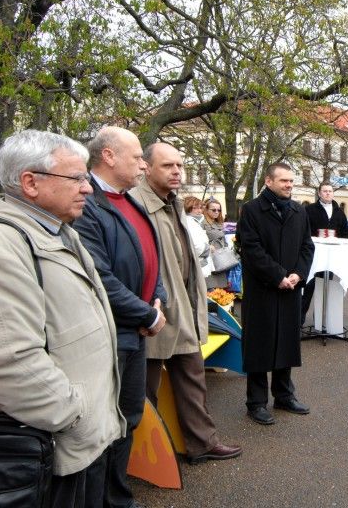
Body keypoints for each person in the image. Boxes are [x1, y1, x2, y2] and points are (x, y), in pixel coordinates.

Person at [0, 130, 123, 506]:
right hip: (57, 448)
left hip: (81, 442)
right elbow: (7, 362)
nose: (88, 188)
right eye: (76, 178)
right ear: (30, 182)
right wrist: (75, 414)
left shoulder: (59, 232)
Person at [130, 142, 242, 463]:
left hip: (185, 305)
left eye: (179, 165)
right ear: (146, 168)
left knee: (193, 379)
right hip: (156, 312)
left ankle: (202, 443)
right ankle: (145, 459)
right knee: (145, 391)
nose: (177, 171)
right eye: (168, 166)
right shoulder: (136, 204)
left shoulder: (173, 202)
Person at [73, 126, 167, 508]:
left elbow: (150, 260)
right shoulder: (88, 205)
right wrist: (147, 312)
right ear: (108, 156)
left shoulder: (130, 200)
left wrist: (156, 298)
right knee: (102, 426)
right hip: (110, 334)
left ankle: (117, 497)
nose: (143, 165)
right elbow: (100, 277)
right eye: (136, 157)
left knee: (128, 416)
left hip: (136, 331)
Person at [238, 162, 315, 425]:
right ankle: (256, 402)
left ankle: (284, 395)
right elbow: (250, 249)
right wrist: (277, 276)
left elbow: (307, 246)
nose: (289, 185)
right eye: (284, 181)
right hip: (263, 290)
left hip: (290, 289)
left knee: (286, 342)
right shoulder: (251, 210)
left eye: (292, 181)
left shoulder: (298, 211)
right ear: (268, 182)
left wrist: (298, 274)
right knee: (260, 345)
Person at [301, 182, 348, 326]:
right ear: (319, 193)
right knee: (308, 288)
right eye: (325, 191)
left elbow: (345, 233)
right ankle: (299, 321)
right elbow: (304, 230)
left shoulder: (339, 212)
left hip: (330, 258)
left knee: (324, 290)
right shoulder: (309, 210)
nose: (328, 193)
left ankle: (320, 322)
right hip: (312, 256)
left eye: (330, 191)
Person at [203, 198, 229, 289]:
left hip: (221, 258)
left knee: (221, 289)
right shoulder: (202, 222)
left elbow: (224, 240)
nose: (217, 212)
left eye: (219, 210)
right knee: (210, 288)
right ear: (206, 210)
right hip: (209, 258)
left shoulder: (219, 223)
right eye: (213, 210)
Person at [184, 196, 213, 279]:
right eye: (195, 208)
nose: (199, 211)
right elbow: (196, 247)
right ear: (188, 208)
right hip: (197, 264)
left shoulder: (195, 222)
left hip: (200, 263)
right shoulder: (190, 222)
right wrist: (208, 248)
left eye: (200, 208)